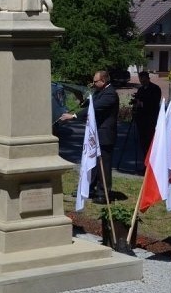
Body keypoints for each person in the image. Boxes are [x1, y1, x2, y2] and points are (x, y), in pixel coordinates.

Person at [59, 70, 119, 203]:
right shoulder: (100, 92)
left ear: (103, 81)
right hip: (95, 134)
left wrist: (74, 116)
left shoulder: (110, 94)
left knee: (103, 165)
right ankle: (89, 189)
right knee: (92, 163)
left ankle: (103, 193)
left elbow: (95, 107)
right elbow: (91, 102)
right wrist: (82, 100)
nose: (93, 83)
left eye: (95, 81)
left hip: (105, 135)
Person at [133, 71, 162, 155]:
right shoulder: (141, 89)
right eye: (140, 80)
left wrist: (142, 103)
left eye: (144, 80)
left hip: (150, 119)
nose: (142, 81)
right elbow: (138, 99)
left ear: (148, 78)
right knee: (142, 142)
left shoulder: (155, 88)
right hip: (141, 119)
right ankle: (144, 159)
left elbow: (154, 102)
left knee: (149, 140)